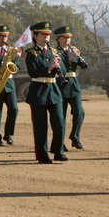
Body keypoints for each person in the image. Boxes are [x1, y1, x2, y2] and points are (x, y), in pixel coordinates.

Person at [24, 21, 67, 164]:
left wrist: (59, 64)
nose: (46, 37)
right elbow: (33, 72)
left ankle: (58, 152)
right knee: (41, 126)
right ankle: (42, 156)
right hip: (38, 91)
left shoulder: (54, 51)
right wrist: (48, 68)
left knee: (59, 123)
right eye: (43, 34)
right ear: (35, 36)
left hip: (54, 90)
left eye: (48, 35)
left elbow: (65, 72)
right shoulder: (30, 53)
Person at [54, 25, 89, 149]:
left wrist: (78, 56)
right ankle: (61, 142)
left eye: (69, 38)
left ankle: (75, 136)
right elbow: (61, 66)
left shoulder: (73, 50)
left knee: (79, 112)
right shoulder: (55, 51)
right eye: (64, 37)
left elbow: (84, 66)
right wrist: (70, 58)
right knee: (61, 117)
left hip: (73, 85)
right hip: (61, 85)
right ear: (58, 38)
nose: (67, 40)